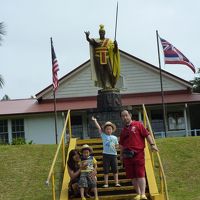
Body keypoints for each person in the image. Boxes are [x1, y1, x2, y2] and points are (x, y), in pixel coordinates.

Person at [119, 110, 158, 200]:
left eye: (126, 115)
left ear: (130, 115)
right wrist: (121, 156)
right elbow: (121, 145)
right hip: (127, 155)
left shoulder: (138, 124)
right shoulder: (123, 130)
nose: (125, 117)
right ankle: (138, 193)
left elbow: (147, 135)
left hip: (138, 154)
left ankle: (143, 194)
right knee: (132, 176)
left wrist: (152, 145)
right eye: (123, 116)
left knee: (140, 174)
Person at [84, 24, 120, 89]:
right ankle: (104, 86)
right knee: (101, 73)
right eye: (100, 32)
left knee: (110, 72)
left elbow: (114, 51)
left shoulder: (108, 41)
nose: (101, 34)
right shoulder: (96, 41)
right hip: (98, 58)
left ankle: (113, 85)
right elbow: (90, 41)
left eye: (102, 32)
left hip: (106, 58)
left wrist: (116, 45)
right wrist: (87, 36)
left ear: (104, 33)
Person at [92, 116, 120, 188]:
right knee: (106, 170)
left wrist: (116, 147)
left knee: (115, 169)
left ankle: (116, 182)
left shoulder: (114, 137)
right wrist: (95, 121)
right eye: (107, 129)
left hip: (113, 155)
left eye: (110, 129)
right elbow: (99, 128)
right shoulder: (103, 135)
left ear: (112, 130)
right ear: (105, 130)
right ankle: (106, 183)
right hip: (106, 155)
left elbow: (117, 145)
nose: (108, 130)